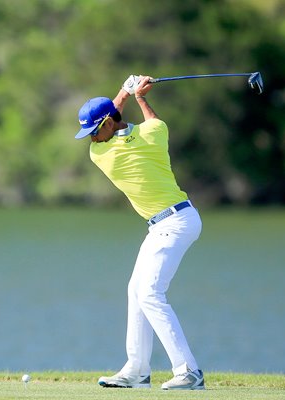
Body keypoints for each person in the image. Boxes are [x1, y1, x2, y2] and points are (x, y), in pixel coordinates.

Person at [74, 75, 205, 390]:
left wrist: (125, 91)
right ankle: (137, 370)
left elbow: (116, 112)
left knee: (150, 293)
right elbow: (151, 121)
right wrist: (138, 96)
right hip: (169, 223)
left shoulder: (103, 154)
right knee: (136, 290)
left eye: (94, 131)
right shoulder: (153, 134)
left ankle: (189, 372)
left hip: (174, 223)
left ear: (107, 124)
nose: (91, 139)